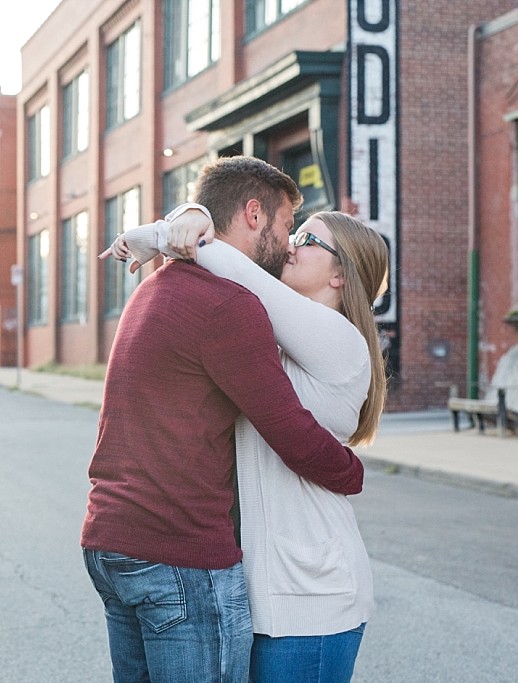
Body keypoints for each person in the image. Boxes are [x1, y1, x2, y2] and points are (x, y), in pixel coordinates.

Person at [80, 156, 366, 683]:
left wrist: (171, 231)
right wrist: (355, 472)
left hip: (116, 540)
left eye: (305, 239)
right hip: (177, 554)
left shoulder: (157, 289)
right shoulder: (230, 307)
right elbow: (294, 437)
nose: (289, 245)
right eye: (287, 228)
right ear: (254, 216)